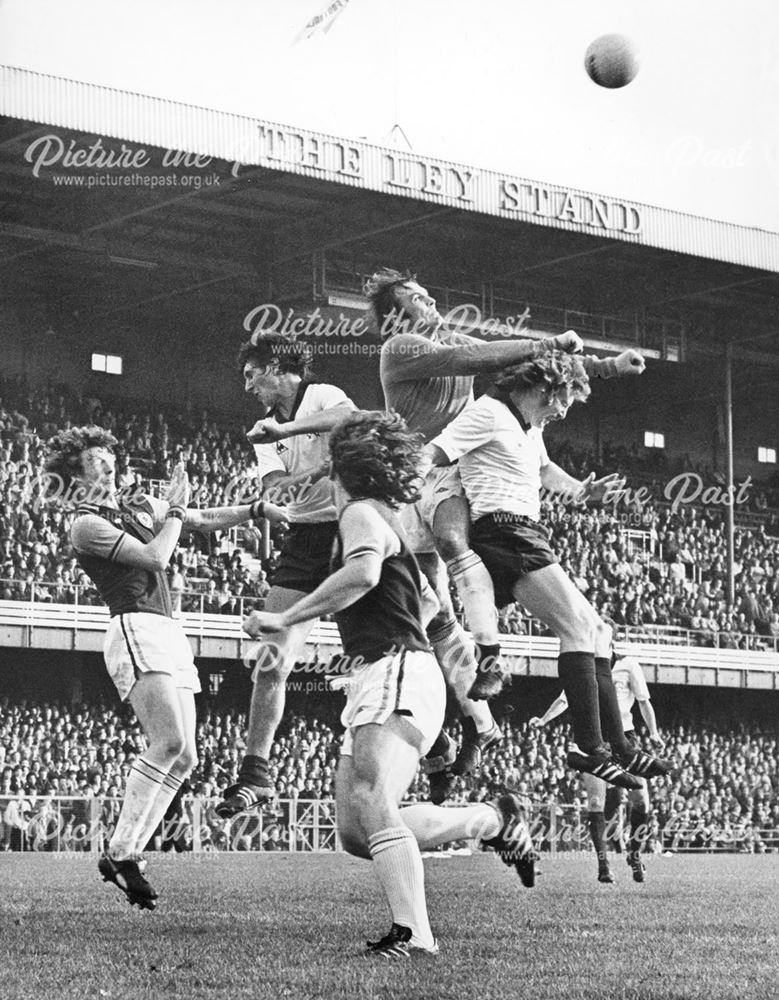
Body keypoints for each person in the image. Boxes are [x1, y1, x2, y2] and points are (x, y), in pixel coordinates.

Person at [246, 410, 533, 957]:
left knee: (373, 798)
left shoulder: (357, 512)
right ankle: (492, 819)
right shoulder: (386, 519)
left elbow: (362, 575)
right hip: (387, 672)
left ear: (339, 469)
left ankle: (414, 934)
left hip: (393, 667)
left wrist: (286, 618)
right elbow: (432, 612)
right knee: (358, 833)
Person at [365, 267, 646, 800]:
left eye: (427, 291)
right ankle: (473, 725)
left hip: (446, 470)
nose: (428, 299)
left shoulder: (457, 350)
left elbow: (528, 366)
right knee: (427, 618)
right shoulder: (401, 347)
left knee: (454, 548)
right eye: (413, 297)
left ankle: (488, 668)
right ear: (394, 316)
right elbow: (479, 359)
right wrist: (551, 342)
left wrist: (604, 366)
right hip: (411, 478)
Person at [44, 425, 284, 909]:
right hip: (133, 625)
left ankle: (125, 853)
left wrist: (254, 509)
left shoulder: (136, 506)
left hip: (167, 629)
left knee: (187, 755)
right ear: (75, 474)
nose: (109, 465)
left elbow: (201, 518)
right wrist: (173, 509)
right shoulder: (84, 524)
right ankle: (122, 851)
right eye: (95, 461)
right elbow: (157, 556)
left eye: (110, 457)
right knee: (169, 742)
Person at [425, 352, 671, 791]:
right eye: (565, 400)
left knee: (597, 632)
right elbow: (435, 452)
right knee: (578, 630)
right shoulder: (487, 413)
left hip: (526, 532)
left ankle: (619, 744)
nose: (563, 411)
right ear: (545, 389)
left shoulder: (529, 425)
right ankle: (588, 747)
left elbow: (543, 469)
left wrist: (581, 490)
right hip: (502, 532)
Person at [217, 332, 356, 818]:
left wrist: (288, 435)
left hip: (350, 530)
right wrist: (299, 466)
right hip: (305, 538)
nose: (249, 386)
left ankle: (441, 739)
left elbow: (349, 420)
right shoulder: (263, 429)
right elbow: (279, 490)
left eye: (253, 374)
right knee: (271, 659)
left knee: (375, 653)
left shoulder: (321, 397)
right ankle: (256, 773)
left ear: (277, 366)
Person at [530, 647, 666, 883]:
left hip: (624, 738)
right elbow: (564, 700)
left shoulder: (628, 665)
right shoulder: (584, 667)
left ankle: (634, 855)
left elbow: (644, 702)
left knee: (641, 801)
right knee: (595, 802)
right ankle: (603, 866)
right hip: (591, 737)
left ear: (610, 641)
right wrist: (543, 720)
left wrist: (653, 732)